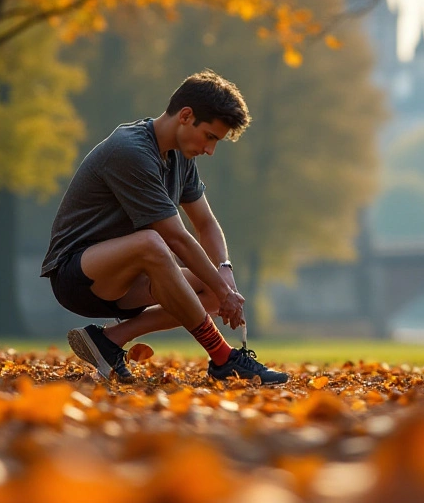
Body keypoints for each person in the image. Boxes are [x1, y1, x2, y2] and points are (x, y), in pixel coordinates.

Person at [41, 71, 288, 385]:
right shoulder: (130, 151)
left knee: (209, 288)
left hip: (127, 279)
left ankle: (108, 341)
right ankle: (223, 358)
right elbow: (176, 237)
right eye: (210, 137)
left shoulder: (180, 157)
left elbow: (206, 223)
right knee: (152, 241)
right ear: (186, 116)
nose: (210, 150)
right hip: (76, 276)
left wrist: (224, 275)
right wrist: (225, 292)